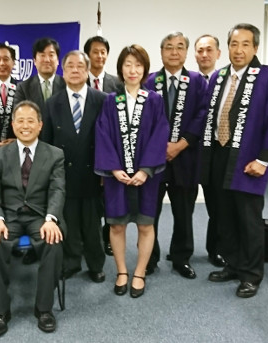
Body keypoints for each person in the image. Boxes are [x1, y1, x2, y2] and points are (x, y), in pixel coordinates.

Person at [202, 23, 268, 298]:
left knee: (248, 218)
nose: (238, 50)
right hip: (219, 156)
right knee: (223, 216)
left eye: (245, 44)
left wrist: (265, 161)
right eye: (233, 44)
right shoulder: (219, 78)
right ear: (226, 47)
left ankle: (251, 274)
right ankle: (232, 264)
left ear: (255, 48)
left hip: (248, 160)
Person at [0, 100, 65, 337]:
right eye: (20, 120)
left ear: (40, 125)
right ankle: (0, 311)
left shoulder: (55, 154)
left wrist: (51, 218)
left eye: (31, 121)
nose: (25, 125)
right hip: (8, 216)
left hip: (41, 216)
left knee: (53, 242)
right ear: (12, 124)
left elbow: (58, 190)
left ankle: (44, 309)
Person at [94, 44, 169, 298]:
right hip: (118, 177)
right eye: (128, 64)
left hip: (145, 177)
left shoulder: (155, 101)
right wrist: (114, 168)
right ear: (120, 69)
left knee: (146, 225)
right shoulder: (110, 102)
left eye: (138, 65)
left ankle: (139, 272)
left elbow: (160, 135)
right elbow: (102, 134)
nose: (133, 70)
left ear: (145, 69)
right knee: (116, 226)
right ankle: (122, 271)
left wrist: (146, 170)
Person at [144, 32, 208, 279]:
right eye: (169, 47)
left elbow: (202, 114)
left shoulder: (197, 82)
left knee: (184, 212)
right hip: (155, 160)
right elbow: (143, 119)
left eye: (179, 47)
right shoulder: (150, 82)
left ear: (186, 52)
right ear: (161, 52)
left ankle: (182, 258)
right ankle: (149, 258)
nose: (174, 52)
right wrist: (160, 147)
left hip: (186, 157)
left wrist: (180, 144)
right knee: (151, 212)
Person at [41, 50, 107, 283]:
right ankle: (71, 262)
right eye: (70, 66)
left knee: (92, 222)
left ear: (88, 71)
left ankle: (95, 264)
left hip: (93, 172)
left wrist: (105, 171)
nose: (75, 70)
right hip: (63, 173)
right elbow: (46, 142)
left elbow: (108, 140)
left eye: (80, 66)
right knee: (68, 220)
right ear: (63, 71)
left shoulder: (101, 100)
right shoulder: (52, 103)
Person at [13, 37, 65, 265]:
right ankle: (37, 246)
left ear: (58, 59)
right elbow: (20, 121)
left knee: (58, 201)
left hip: (61, 154)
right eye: (42, 55)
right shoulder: (24, 87)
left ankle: (63, 248)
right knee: (36, 201)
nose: (47, 59)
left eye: (51, 54)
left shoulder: (67, 84)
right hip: (31, 156)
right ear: (34, 60)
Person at [83, 35, 123, 257]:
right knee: (88, 199)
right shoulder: (77, 80)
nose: (99, 56)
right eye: (95, 51)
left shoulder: (117, 83)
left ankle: (108, 237)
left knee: (108, 197)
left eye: (103, 52)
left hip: (110, 149)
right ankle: (89, 237)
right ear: (87, 55)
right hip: (85, 149)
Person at [194, 34, 226, 267]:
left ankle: (216, 249)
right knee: (184, 206)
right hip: (187, 153)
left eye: (209, 50)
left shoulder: (227, 80)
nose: (204, 54)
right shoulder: (190, 80)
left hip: (214, 154)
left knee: (217, 204)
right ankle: (180, 250)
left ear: (218, 54)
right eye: (200, 50)